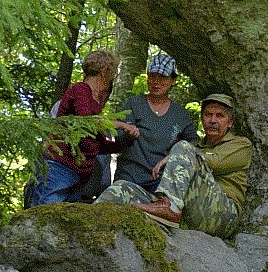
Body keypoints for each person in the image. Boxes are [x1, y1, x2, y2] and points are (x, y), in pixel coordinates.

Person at [99, 93, 252, 238]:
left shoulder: (240, 145)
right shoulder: (195, 146)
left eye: (219, 116)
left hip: (222, 215)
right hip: (188, 212)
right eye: (208, 115)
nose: (213, 120)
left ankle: (170, 207)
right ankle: (89, 222)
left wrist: (175, 155)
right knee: (122, 189)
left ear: (230, 122)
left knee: (183, 146)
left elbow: (213, 162)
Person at [27, 49, 138, 206]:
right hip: (58, 167)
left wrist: (124, 142)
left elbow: (96, 144)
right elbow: (86, 121)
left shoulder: (94, 104)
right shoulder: (81, 90)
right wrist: (121, 124)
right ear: (105, 73)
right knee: (44, 214)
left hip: (75, 176)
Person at [97, 53, 197, 197]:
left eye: (162, 77)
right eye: (152, 76)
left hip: (161, 183)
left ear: (173, 80)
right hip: (128, 178)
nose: (156, 82)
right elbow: (119, 140)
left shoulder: (180, 115)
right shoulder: (133, 104)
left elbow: (193, 144)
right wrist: (128, 134)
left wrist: (171, 157)